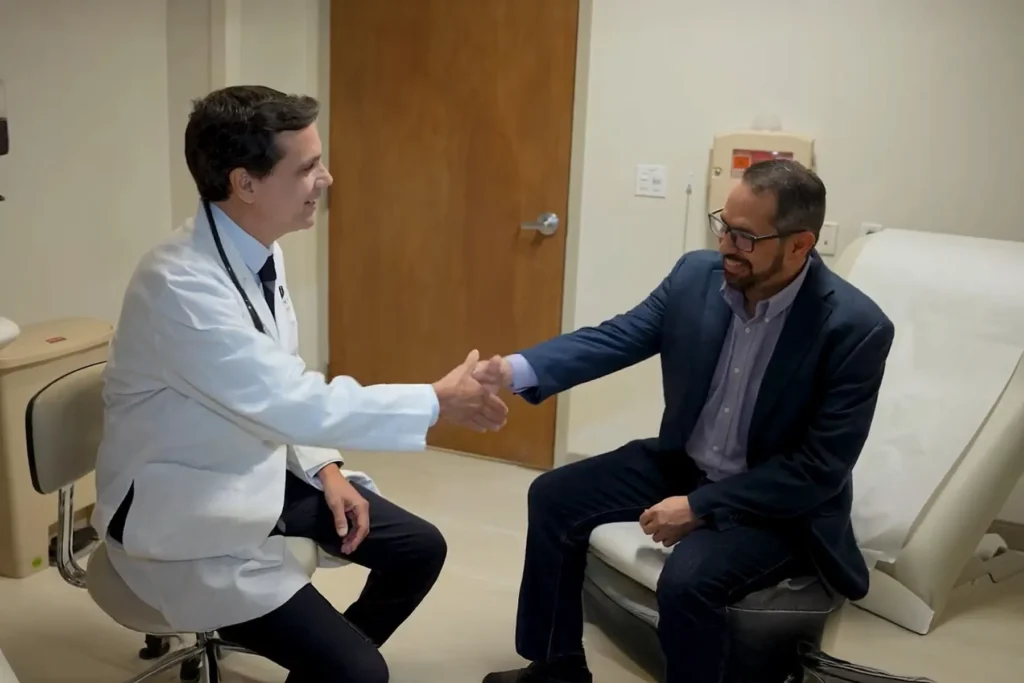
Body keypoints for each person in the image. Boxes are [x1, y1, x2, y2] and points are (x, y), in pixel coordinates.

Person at [91, 85, 508, 683]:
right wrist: (436, 401)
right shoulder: (179, 287)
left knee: (420, 550)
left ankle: (323, 666)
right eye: (308, 166)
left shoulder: (259, 251)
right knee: (363, 674)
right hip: (184, 512)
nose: (327, 178)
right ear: (246, 184)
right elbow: (290, 401)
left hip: (254, 473)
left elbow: (281, 381)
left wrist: (327, 470)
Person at [477, 159, 895, 683]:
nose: (725, 247)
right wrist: (512, 371)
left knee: (688, 579)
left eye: (744, 238)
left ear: (798, 245)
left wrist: (700, 507)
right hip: (685, 462)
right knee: (555, 496)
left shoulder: (854, 328)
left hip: (777, 504)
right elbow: (617, 337)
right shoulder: (695, 277)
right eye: (724, 225)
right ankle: (555, 667)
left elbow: (819, 469)